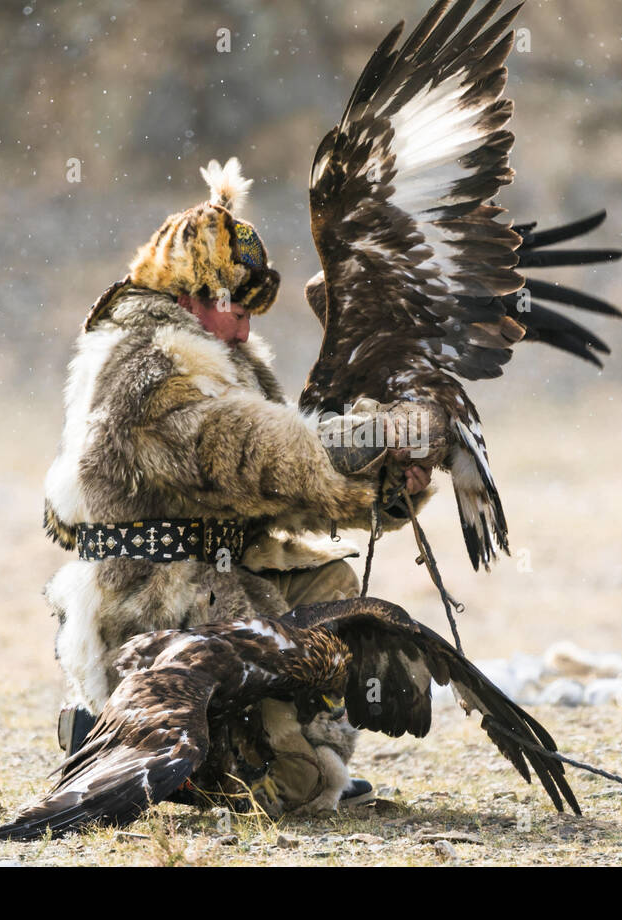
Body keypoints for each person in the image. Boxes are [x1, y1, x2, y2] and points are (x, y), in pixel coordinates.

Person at [40, 158, 439, 813]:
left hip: (215, 590)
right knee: (296, 790)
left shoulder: (222, 361)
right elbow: (251, 451)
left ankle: (288, 755)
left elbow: (287, 494)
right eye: (237, 303)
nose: (249, 324)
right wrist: (366, 437)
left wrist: (388, 489)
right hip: (153, 614)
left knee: (333, 593)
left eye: (257, 305)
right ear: (189, 295)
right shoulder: (149, 372)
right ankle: (117, 738)